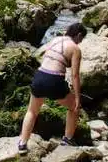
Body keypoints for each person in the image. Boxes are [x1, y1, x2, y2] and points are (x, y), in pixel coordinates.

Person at [18, 23, 87, 154]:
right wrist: (78, 97)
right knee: (74, 107)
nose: (80, 42)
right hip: (54, 81)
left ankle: (22, 143)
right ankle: (67, 139)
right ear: (78, 35)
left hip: (39, 76)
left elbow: (49, 59)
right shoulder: (75, 49)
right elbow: (75, 75)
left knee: (32, 111)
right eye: (81, 39)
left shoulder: (55, 39)